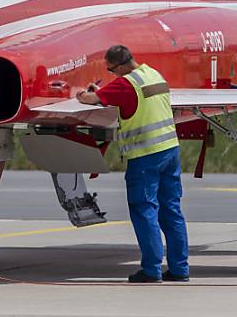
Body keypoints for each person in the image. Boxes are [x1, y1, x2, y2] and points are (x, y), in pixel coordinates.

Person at [76, 45, 190, 283]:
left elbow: (89, 99)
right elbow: (125, 94)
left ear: (119, 66)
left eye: (111, 70)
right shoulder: (153, 74)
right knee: (171, 209)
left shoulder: (125, 83)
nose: (112, 74)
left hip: (145, 156)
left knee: (144, 209)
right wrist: (105, 90)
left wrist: (84, 94)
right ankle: (180, 269)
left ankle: (151, 270)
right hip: (170, 151)